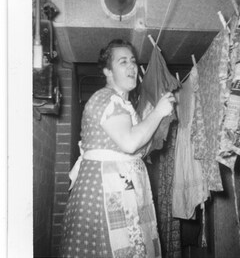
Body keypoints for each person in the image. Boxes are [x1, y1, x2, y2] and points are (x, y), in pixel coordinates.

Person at [60, 39, 175, 258]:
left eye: (133, 61)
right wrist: (158, 112)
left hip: (117, 191)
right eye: (123, 62)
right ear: (108, 71)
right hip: (102, 195)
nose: (132, 67)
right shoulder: (107, 99)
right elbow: (130, 142)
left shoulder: (121, 103)